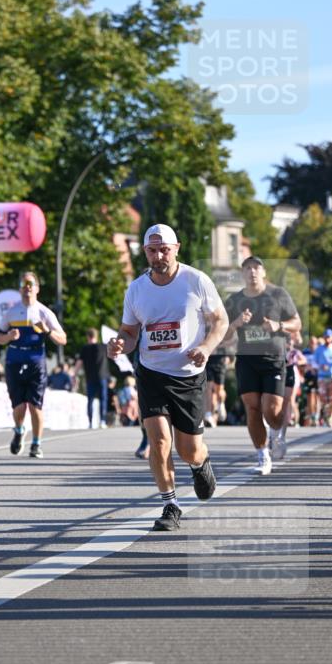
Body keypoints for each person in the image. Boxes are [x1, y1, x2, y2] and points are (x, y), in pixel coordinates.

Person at [107, 223, 228, 532]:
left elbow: (220, 321)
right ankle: (171, 504)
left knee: (188, 449)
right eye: (152, 250)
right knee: (159, 441)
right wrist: (121, 343)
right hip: (151, 373)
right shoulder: (136, 289)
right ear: (145, 252)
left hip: (188, 375)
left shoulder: (196, 281)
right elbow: (131, 332)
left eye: (164, 249)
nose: (158, 255)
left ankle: (201, 463)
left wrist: (206, 346)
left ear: (177, 248)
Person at [222, 256, 301, 474]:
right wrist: (236, 323)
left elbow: (297, 323)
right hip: (246, 360)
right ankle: (262, 455)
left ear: (263, 272)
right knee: (252, 407)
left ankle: (276, 432)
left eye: (256, 268)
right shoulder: (234, 300)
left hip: (273, 359)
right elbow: (223, 336)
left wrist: (278, 325)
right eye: (247, 268)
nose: (252, 272)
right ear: (242, 274)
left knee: (271, 410)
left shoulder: (278, 295)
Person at [0, 270, 66, 459]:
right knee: (18, 407)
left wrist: (48, 331)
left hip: (36, 363)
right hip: (14, 361)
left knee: (35, 406)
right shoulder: (11, 311)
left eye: (30, 284)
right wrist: (8, 337)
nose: (27, 288)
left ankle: (36, 444)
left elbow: (63, 339)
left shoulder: (44, 312)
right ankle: (19, 430)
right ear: (19, 289)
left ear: (37, 288)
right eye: (23, 284)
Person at [74, 327, 110, 428]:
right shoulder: (103, 347)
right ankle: (102, 421)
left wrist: (74, 374)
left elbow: (79, 363)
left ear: (88, 337)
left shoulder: (85, 348)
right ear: (96, 336)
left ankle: (90, 422)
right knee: (103, 399)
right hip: (102, 376)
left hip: (90, 378)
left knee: (90, 400)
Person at [314, 329, 332, 427]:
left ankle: (331, 418)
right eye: (326, 336)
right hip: (322, 376)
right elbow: (314, 363)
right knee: (323, 399)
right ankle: (325, 417)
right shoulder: (319, 349)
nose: (327, 338)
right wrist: (321, 366)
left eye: (329, 336)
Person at [204, 343, 229, 427]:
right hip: (207, 359)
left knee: (219, 390)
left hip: (220, 359)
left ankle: (221, 404)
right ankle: (208, 414)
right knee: (208, 388)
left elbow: (229, 339)